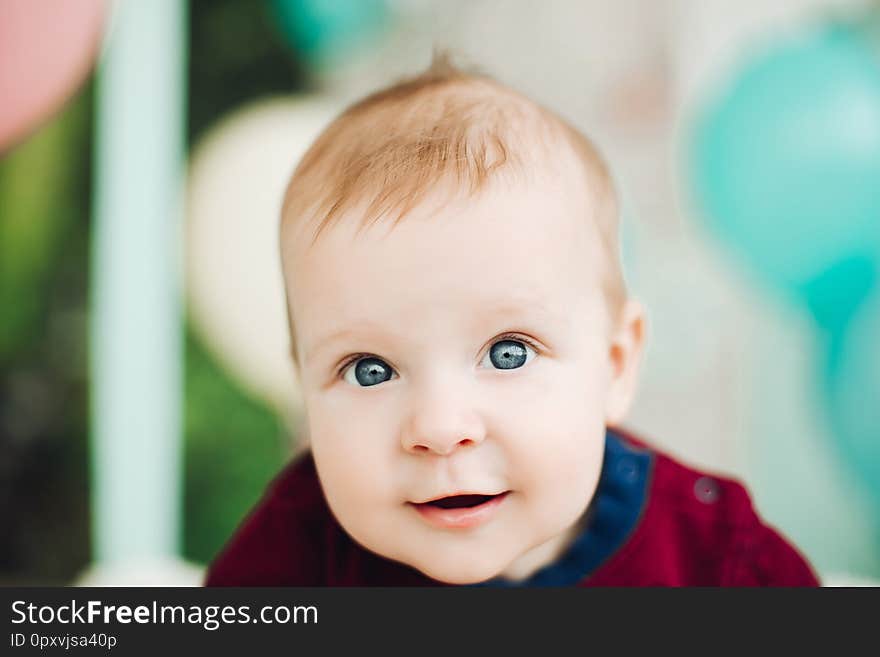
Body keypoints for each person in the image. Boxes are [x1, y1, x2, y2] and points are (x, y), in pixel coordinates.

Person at [205, 55, 819, 586]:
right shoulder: (295, 557)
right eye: (370, 370)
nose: (441, 429)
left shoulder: (716, 561)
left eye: (509, 353)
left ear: (614, 364)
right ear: (304, 386)